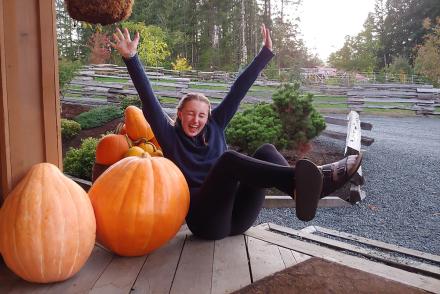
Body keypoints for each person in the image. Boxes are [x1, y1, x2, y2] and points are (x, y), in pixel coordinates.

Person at [111, 25, 362, 240]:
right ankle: (301, 181)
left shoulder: (216, 125)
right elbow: (149, 98)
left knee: (266, 150)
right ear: (179, 115)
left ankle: (298, 188)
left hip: (238, 219)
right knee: (228, 160)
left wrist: (265, 54)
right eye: (189, 114)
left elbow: (238, 89)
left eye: (201, 115)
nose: (195, 120)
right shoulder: (169, 135)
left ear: (208, 117)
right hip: (205, 222)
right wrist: (131, 58)